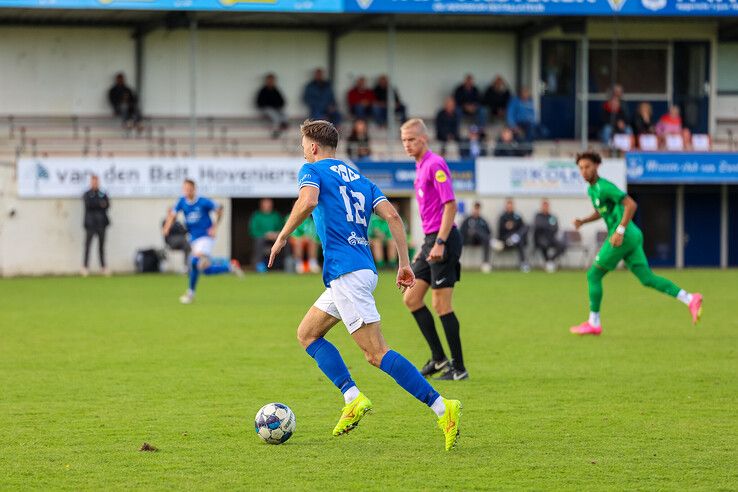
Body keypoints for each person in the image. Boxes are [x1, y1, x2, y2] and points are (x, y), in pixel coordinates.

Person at [267, 119, 461, 451]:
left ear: (313, 147)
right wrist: (403, 263)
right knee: (308, 334)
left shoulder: (310, 170)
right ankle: (352, 397)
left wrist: (284, 235)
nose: (302, 150)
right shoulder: (360, 178)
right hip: (360, 270)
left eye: (303, 144)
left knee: (376, 353)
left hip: (347, 275)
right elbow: (394, 217)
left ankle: (443, 407)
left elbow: (309, 201)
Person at [570, 152, 703, 335]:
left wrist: (619, 230)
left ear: (597, 166)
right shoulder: (592, 190)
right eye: (581, 168)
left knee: (593, 275)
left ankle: (594, 322)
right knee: (647, 278)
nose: (584, 171)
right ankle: (690, 298)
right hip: (631, 235)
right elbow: (602, 211)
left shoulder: (605, 187)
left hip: (623, 236)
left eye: (588, 167)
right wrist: (583, 221)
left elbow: (631, 205)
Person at [400, 118, 467, 381]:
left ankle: (459, 368)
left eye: (411, 139)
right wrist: (425, 245)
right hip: (431, 240)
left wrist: (439, 243)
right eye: (404, 140)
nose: (407, 144)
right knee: (411, 299)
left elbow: (450, 205)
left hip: (445, 240)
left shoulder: (435, 164)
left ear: (423, 139)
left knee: (441, 304)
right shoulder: (419, 167)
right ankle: (438, 358)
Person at [162, 179, 242, 304]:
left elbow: (219, 210)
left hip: (205, 238)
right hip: (193, 239)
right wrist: (167, 226)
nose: (187, 191)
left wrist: (215, 227)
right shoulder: (182, 202)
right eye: (185, 189)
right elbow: (173, 214)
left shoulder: (203, 202)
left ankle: (190, 294)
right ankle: (229, 267)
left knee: (194, 260)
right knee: (205, 269)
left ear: (194, 189)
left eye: (189, 189)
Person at [82, 175, 110, 277]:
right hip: (90, 224)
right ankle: (85, 267)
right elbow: (89, 205)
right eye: (93, 182)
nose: (95, 183)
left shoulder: (102, 193)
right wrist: (99, 204)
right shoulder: (87, 194)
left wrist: (100, 204)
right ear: (91, 182)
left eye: (96, 182)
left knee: (101, 247)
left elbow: (107, 205)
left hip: (101, 223)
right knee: (87, 246)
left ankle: (103, 267)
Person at [249, 198, 284, 272]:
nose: (268, 205)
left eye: (269, 203)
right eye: (265, 203)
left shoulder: (276, 215)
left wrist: (277, 234)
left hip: (275, 239)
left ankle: (287, 263)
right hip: (262, 240)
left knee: (285, 240)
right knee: (259, 241)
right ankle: (258, 265)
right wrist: (266, 235)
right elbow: (253, 231)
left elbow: (282, 229)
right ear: (261, 205)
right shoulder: (257, 216)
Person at [496, 198, 530, 272]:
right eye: (508, 206)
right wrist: (507, 226)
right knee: (516, 238)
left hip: (517, 239)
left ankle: (523, 263)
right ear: (506, 207)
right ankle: (514, 239)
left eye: (511, 206)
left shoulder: (517, 216)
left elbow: (524, 227)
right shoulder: (502, 217)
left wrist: (514, 228)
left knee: (520, 237)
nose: (509, 207)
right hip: (506, 240)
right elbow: (500, 232)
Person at [533, 199, 566, 273]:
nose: (545, 207)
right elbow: (538, 226)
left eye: (547, 206)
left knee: (562, 245)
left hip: (551, 237)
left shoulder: (552, 217)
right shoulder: (538, 216)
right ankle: (548, 262)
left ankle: (550, 260)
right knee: (543, 244)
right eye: (544, 206)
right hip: (540, 238)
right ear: (541, 207)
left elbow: (555, 227)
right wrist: (548, 226)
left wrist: (546, 227)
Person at [460, 202, 492, 273]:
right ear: (472, 209)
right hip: (469, 240)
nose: (476, 211)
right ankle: (492, 242)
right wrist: (469, 232)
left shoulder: (483, 221)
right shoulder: (467, 220)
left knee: (484, 237)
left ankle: (485, 263)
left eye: (478, 209)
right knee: (475, 230)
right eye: (475, 209)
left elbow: (489, 232)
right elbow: (461, 231)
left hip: (480, 240)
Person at [256, 73, 288, 139]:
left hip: (276, 109)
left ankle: (283, 125)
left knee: (284, 114)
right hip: (266, 109)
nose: (271, 81)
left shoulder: (276, 90)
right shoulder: (263, 90)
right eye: (269, 80)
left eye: (272, 80)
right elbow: (259, 103)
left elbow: (282, 101)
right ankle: (275, 131)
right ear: (266, 81)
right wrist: (269, 105)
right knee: (275, 117)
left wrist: (277, 106)